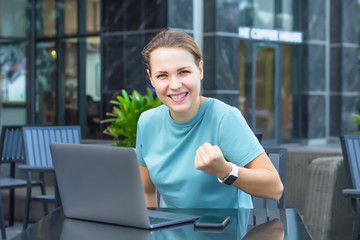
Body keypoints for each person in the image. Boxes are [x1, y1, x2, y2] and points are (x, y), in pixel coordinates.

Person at [136, 29, 283, 209]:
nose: (174, 85)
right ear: (151, 78)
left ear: (200, 70)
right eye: (162, 75)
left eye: (183, 72)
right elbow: (146, 191)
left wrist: (225, 170)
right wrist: (150, 231)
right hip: (170, 232)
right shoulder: (147, 122)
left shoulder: (224, 118)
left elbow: (275, 189)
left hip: (224, 232)